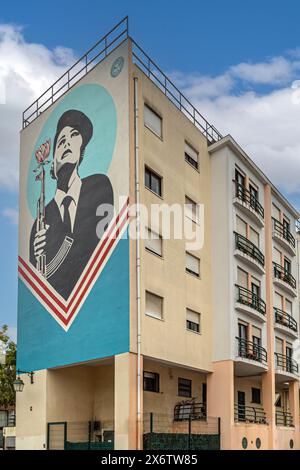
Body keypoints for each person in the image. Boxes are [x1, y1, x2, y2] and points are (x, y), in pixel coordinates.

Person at [30, 109, 114, 300]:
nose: (67, 142)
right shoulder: (39, 223)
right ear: (52, 164)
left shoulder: (99, 186)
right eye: (60, 141)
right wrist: (37, 260)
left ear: (81, 150)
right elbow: (36, 293)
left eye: (75, 135)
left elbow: (100, 245)